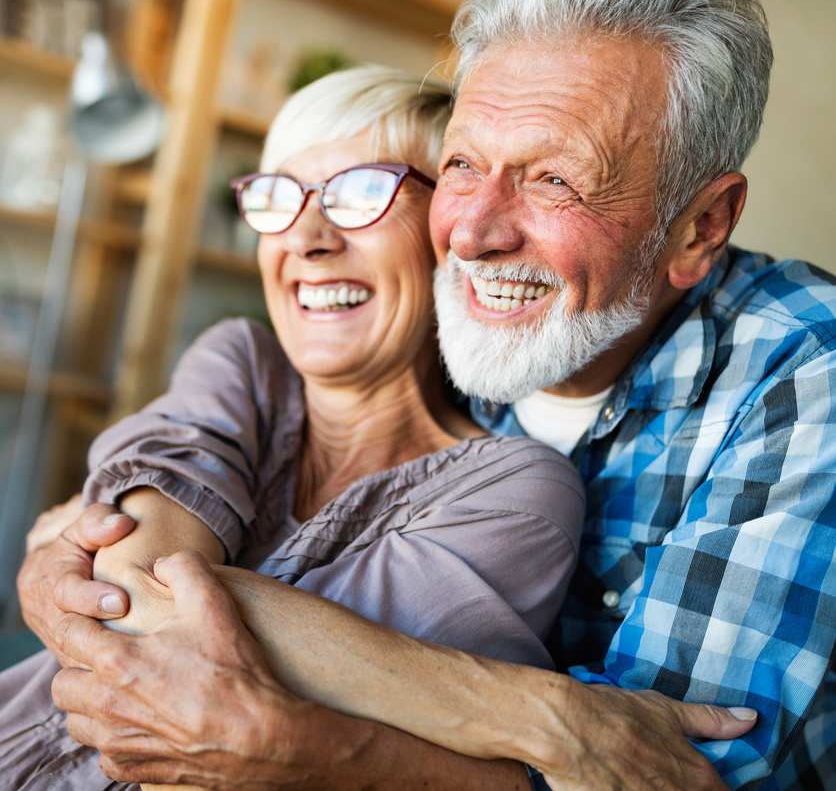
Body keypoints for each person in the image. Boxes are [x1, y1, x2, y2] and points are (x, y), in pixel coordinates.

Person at [15, 0, 832, 788]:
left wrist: (320, 751)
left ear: (699, 226)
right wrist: (541, 713)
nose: (472, 234)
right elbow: (139, 539)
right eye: (467, 166)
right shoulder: (461, 334)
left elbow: (675, 773)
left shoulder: (807, 375)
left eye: (555, 179)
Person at [0, 65, 588, 789]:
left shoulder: (517, 490)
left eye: (362, 193)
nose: (307, 238)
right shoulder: (242, 361)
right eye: (279, 196)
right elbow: (128, 588)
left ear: (452, 232)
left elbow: (234, 698)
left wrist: (75, 541)